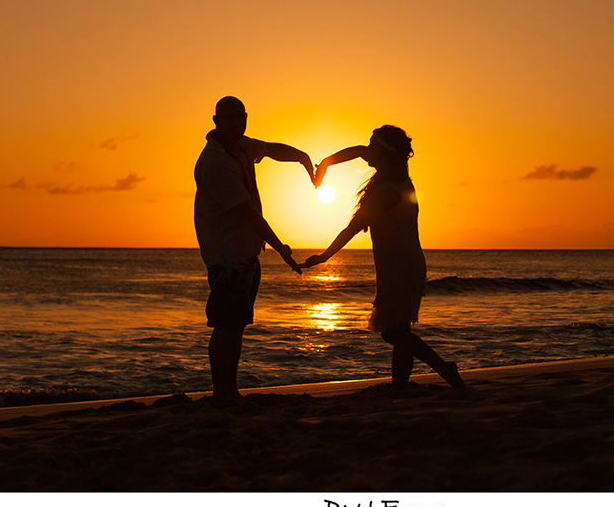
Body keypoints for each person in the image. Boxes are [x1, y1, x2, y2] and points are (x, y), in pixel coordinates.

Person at [301, 126, 465, 391]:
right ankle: (403, 384)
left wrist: (324, 257)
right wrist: (327, 165)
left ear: (385, 154)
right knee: (398, 330)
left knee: (395, 332)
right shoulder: (400, 181)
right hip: (403, 263)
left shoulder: (386, 192)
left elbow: (353, 228)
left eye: (372, 146)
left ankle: (441, 369)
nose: (367, 151)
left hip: (399, 267)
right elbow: (356, 151)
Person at [194, 96, 314, 400]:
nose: (237, 123)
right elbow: (247, 213)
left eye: (241, 117)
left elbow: (272, 150)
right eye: (230, 118)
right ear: (216, 121)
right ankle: (222, 392)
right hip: (226, 254)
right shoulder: (215, 162)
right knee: (226, 325)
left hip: (245, 252)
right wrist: (282, 249)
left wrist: (302, 157)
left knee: (237, 325)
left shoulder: (243, 147)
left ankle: (229, 390)